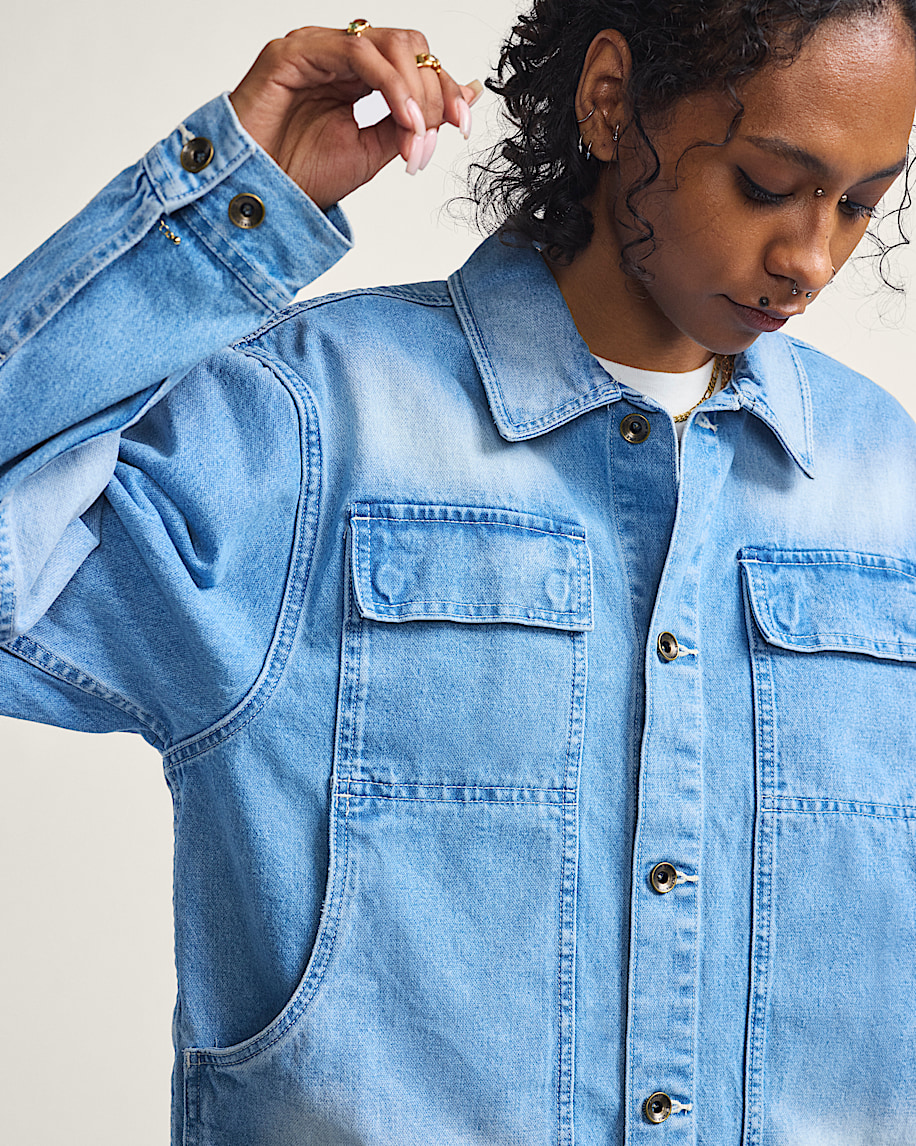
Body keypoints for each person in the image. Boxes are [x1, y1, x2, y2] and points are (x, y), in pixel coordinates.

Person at [2, 1, 915, 1143]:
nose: (811, 259)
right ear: (610, 101)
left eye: (862, 203)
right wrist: (232, 209)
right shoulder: (311, 432)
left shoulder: (889, 489)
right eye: (766, 184)